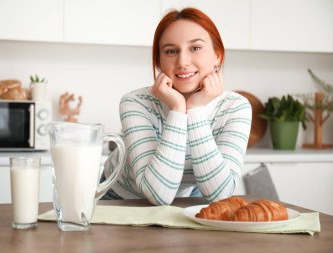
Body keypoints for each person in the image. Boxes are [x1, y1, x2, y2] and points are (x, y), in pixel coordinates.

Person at [103, 7, 252, 205]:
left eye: (196, 48)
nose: (182, 61)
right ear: (159, 62)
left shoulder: (235, 107)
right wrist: (177, 109)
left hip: (189, 196)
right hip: (121, 197)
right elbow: (158, 195)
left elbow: (220, 196)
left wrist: (196, 109)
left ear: (218, 55)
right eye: (171, 51)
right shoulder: (135, 102)